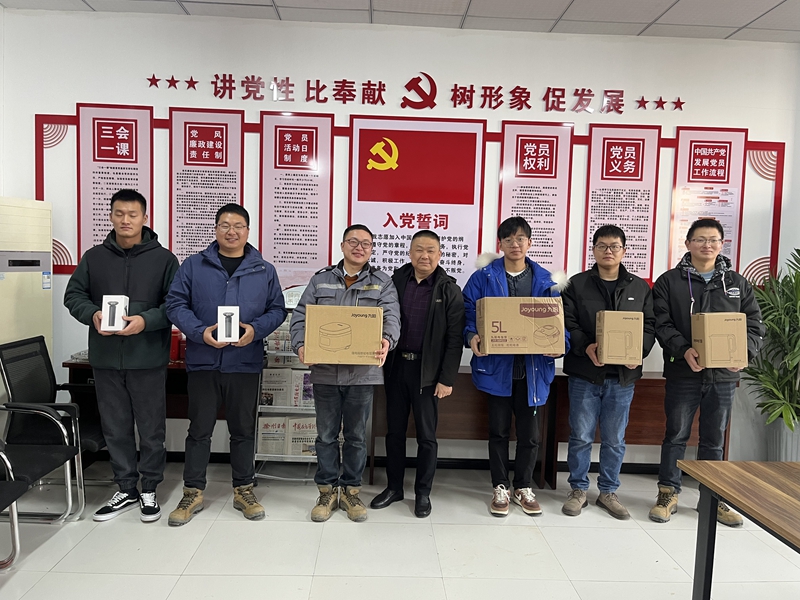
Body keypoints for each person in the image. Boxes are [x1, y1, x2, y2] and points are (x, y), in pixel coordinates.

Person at [165, 203, 286, 526]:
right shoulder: (194, 265)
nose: (231, 232)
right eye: (225, 225)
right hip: (204, 361)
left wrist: (255, 330)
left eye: (238, 226)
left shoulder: (264, 269)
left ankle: (244, 490)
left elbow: (277, 309)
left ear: (248, 231)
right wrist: (199, 332)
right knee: (199, 430)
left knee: (243, 430)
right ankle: (192, 492)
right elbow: (174, 304)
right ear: (216, 229)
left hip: (244, 362)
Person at [64, 189, 179, 523]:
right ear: (111, 216)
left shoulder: (164, 260)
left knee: (151, 429)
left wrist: (145, 321)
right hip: (106, 360)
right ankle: (126, 488)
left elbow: (174, 304)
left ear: (145, 218)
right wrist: (93, 315)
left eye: (132, 214)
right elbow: (74, 295)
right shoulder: (94, 257)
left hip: (148, 359)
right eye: (119, 213)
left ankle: (149, 488)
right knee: (115, 428)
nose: (125, 220)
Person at [649, 218, 763, 527]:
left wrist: (744, 353)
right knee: (676, 434)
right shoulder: (669, 281)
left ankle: (712, 498)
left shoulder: (737, 283)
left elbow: (754, 324)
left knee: (714, 439)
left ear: (722, 244)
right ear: (688, 243)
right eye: (700, 239)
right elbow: (661, 323)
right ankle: (668, 493)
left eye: (713, 240)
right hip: (683, 372)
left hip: (723, 377)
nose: (707, 245)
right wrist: (683, 349)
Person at [290, 224, 400, 523]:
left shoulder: (381, 282)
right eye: (353, 241)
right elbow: (300, 316)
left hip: (362, 374)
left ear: (372, 249)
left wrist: (387, 340)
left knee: (356, 436)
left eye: (366, 243)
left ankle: (351, 491)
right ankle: (326, 491)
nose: (359, 247)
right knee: (325, 435)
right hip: (325, 372)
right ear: (342, 246)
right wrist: (301, 344)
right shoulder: (321, 280)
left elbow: (392, 316)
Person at [462, 216, 568, 517]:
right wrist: (471, 336)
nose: (514, 244)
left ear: (529, 243)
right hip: (498, 369)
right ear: (500, 244)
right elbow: (467, 313)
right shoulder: (483, 278)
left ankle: (522, 486)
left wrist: (560, 345)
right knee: (497, 432)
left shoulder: (547, 281)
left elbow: (562, 323)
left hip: (533, 370)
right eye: (508, 239)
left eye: (520, 238)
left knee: (530, 435)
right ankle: (500, 486)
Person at [561, 225, 656, 520]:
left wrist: (638, 352)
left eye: (615, 246)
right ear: (593, 249)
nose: (608, 251)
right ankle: (578, 490)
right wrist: (585, 346)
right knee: (581, 436)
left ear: (624, 251)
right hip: (584, 373)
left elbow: (649, 326)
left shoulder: (639, 287)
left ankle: (608, 491)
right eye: (602, 246)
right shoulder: (576, 285)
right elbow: (567, 322)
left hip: (622, 378)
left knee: (615, 439)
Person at [370, 230, 465, 518]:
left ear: (440, 254)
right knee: (394, 432)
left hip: (428, 372)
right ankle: (394, 488)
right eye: (419, 250)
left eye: (431, 250)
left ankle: (423, 493)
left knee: (426, 436)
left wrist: (447, 379)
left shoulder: (449, 290)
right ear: (410, 253)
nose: (425, 255)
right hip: (396, 367)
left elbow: (455, 339)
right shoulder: (395, 282)